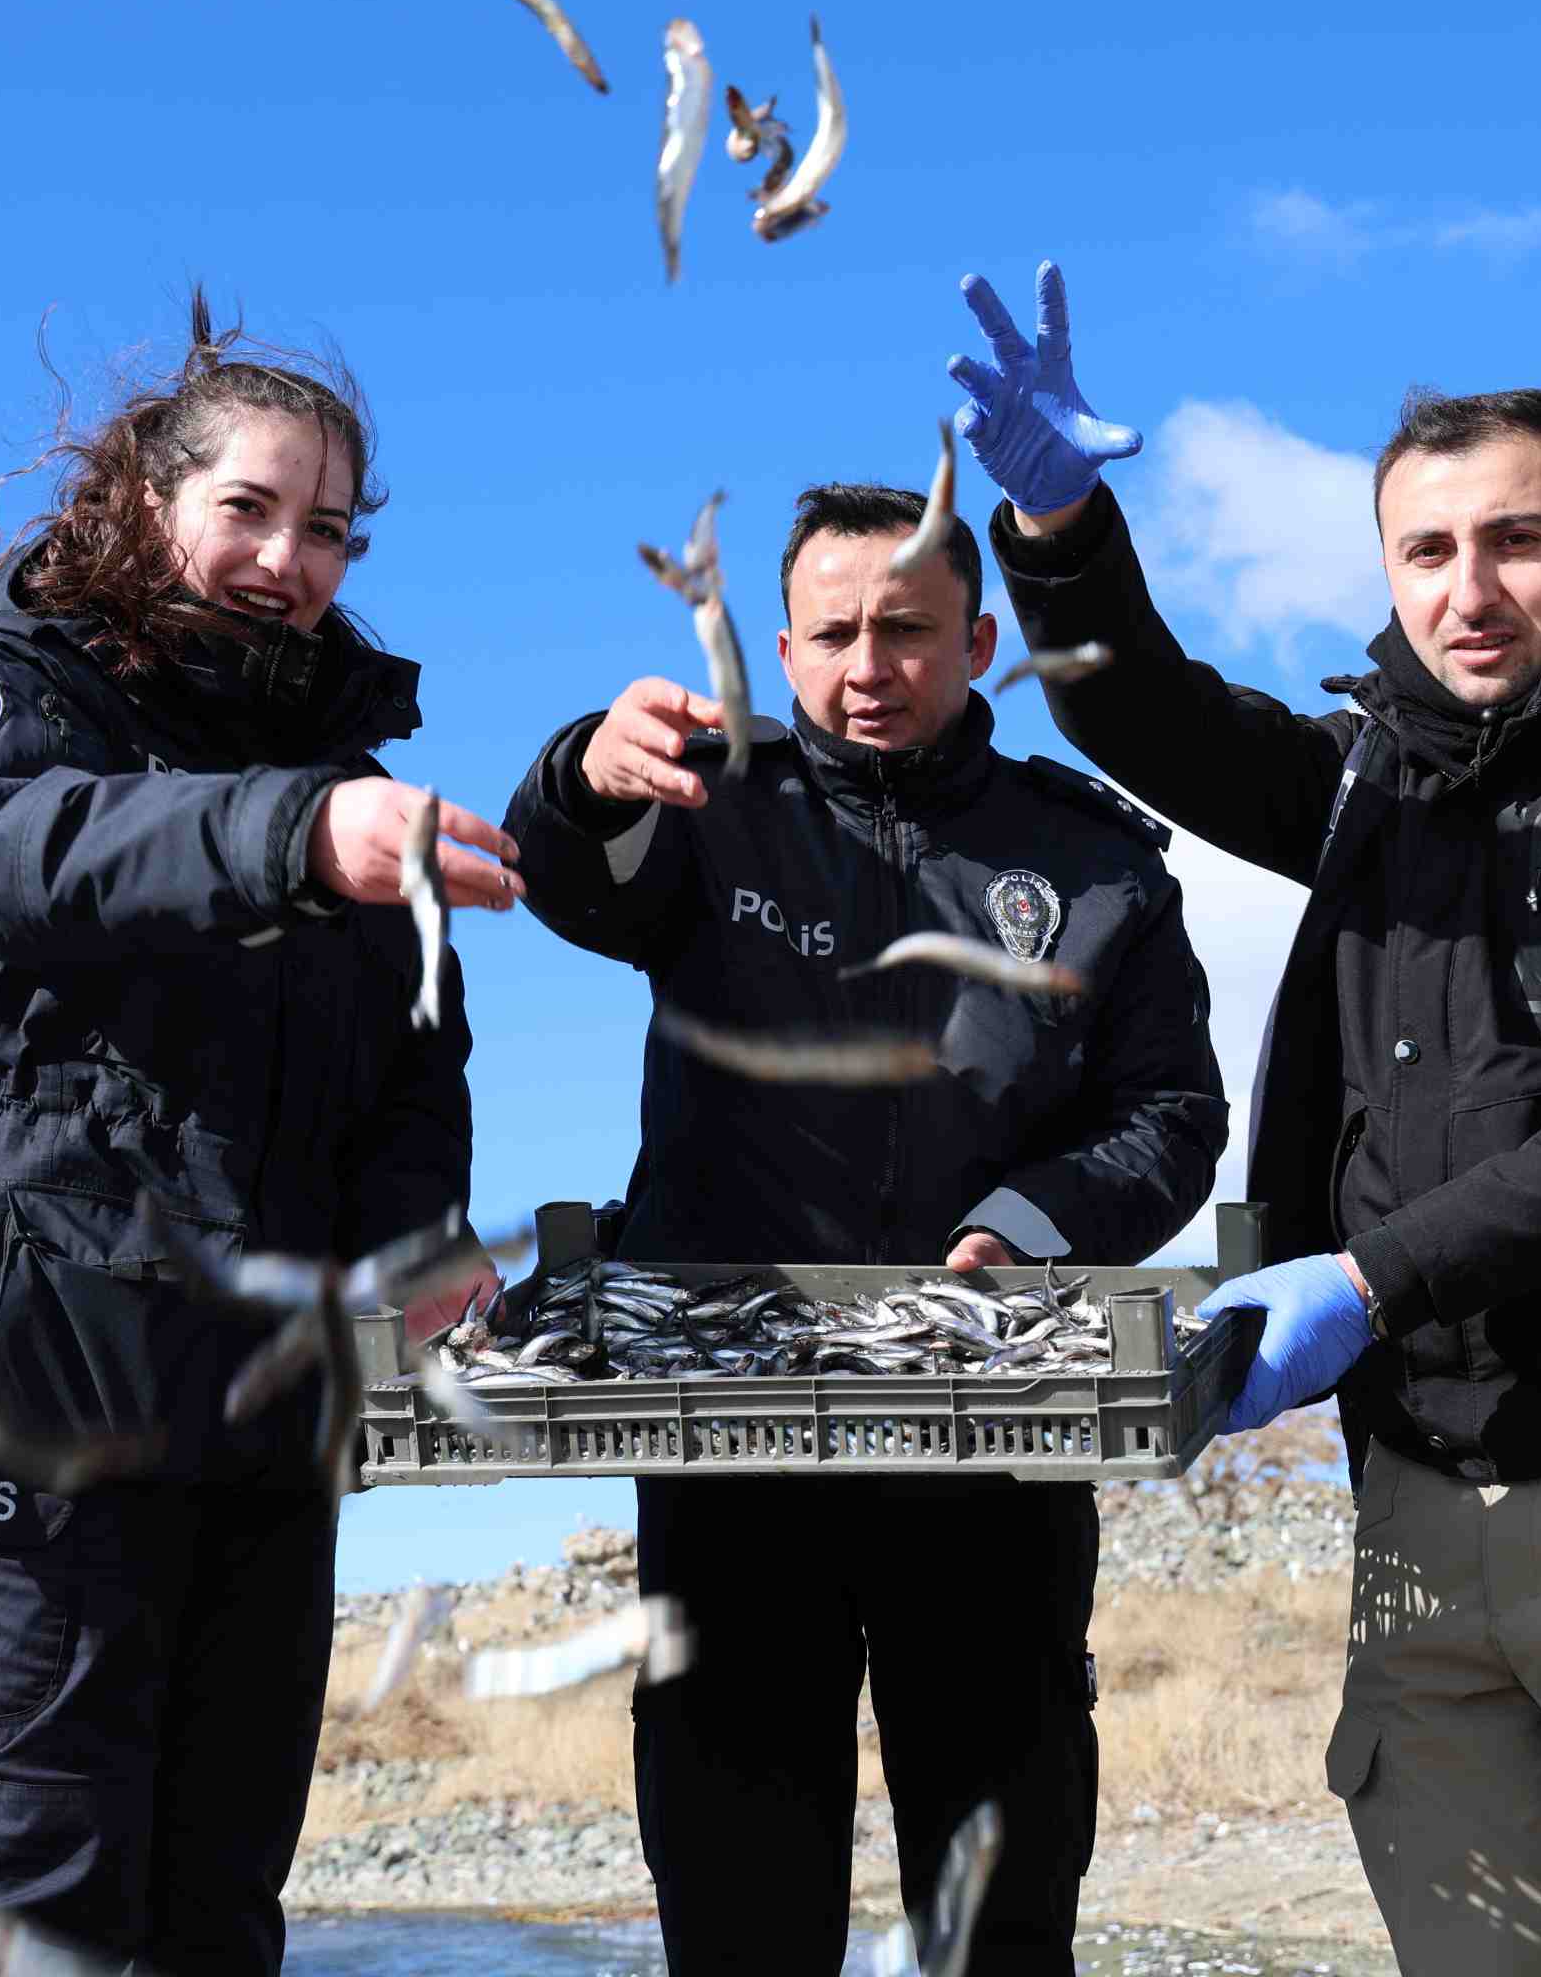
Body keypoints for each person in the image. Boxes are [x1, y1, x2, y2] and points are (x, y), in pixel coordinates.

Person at [943, 262, 1541, 1976]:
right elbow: (1144, 712)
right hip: (1423, 1519)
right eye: (1427, 551)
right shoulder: (1371, 779)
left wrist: (1363, 1282)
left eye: (1518, 541)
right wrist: (1058, 529)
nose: (1471, 588)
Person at [0, 291, 518, 1976]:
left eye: (325, 530)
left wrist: (416, 1234)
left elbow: (416, 1057)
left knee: (220, 1906)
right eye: (246, 509)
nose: (286, 559)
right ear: (147, 499)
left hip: (260, 1413)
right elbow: (19, 857)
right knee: (43, 1895)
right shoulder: (8, 693)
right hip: (14, 1386)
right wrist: (295, 837)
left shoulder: (338, 768)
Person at [503, 481, 1229, 1975]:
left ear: (978, 641)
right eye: (832, 635)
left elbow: (1172, 1113)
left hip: (996, 1440)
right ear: (781, 651)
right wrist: (584, 772)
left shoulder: (1093, 861)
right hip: (729, 1447)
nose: (868, 666)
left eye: (906, 630)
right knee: (740, 1913)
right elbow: (567, 876)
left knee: (999, 1914)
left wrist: (1031, 1226)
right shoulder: (705, 803)